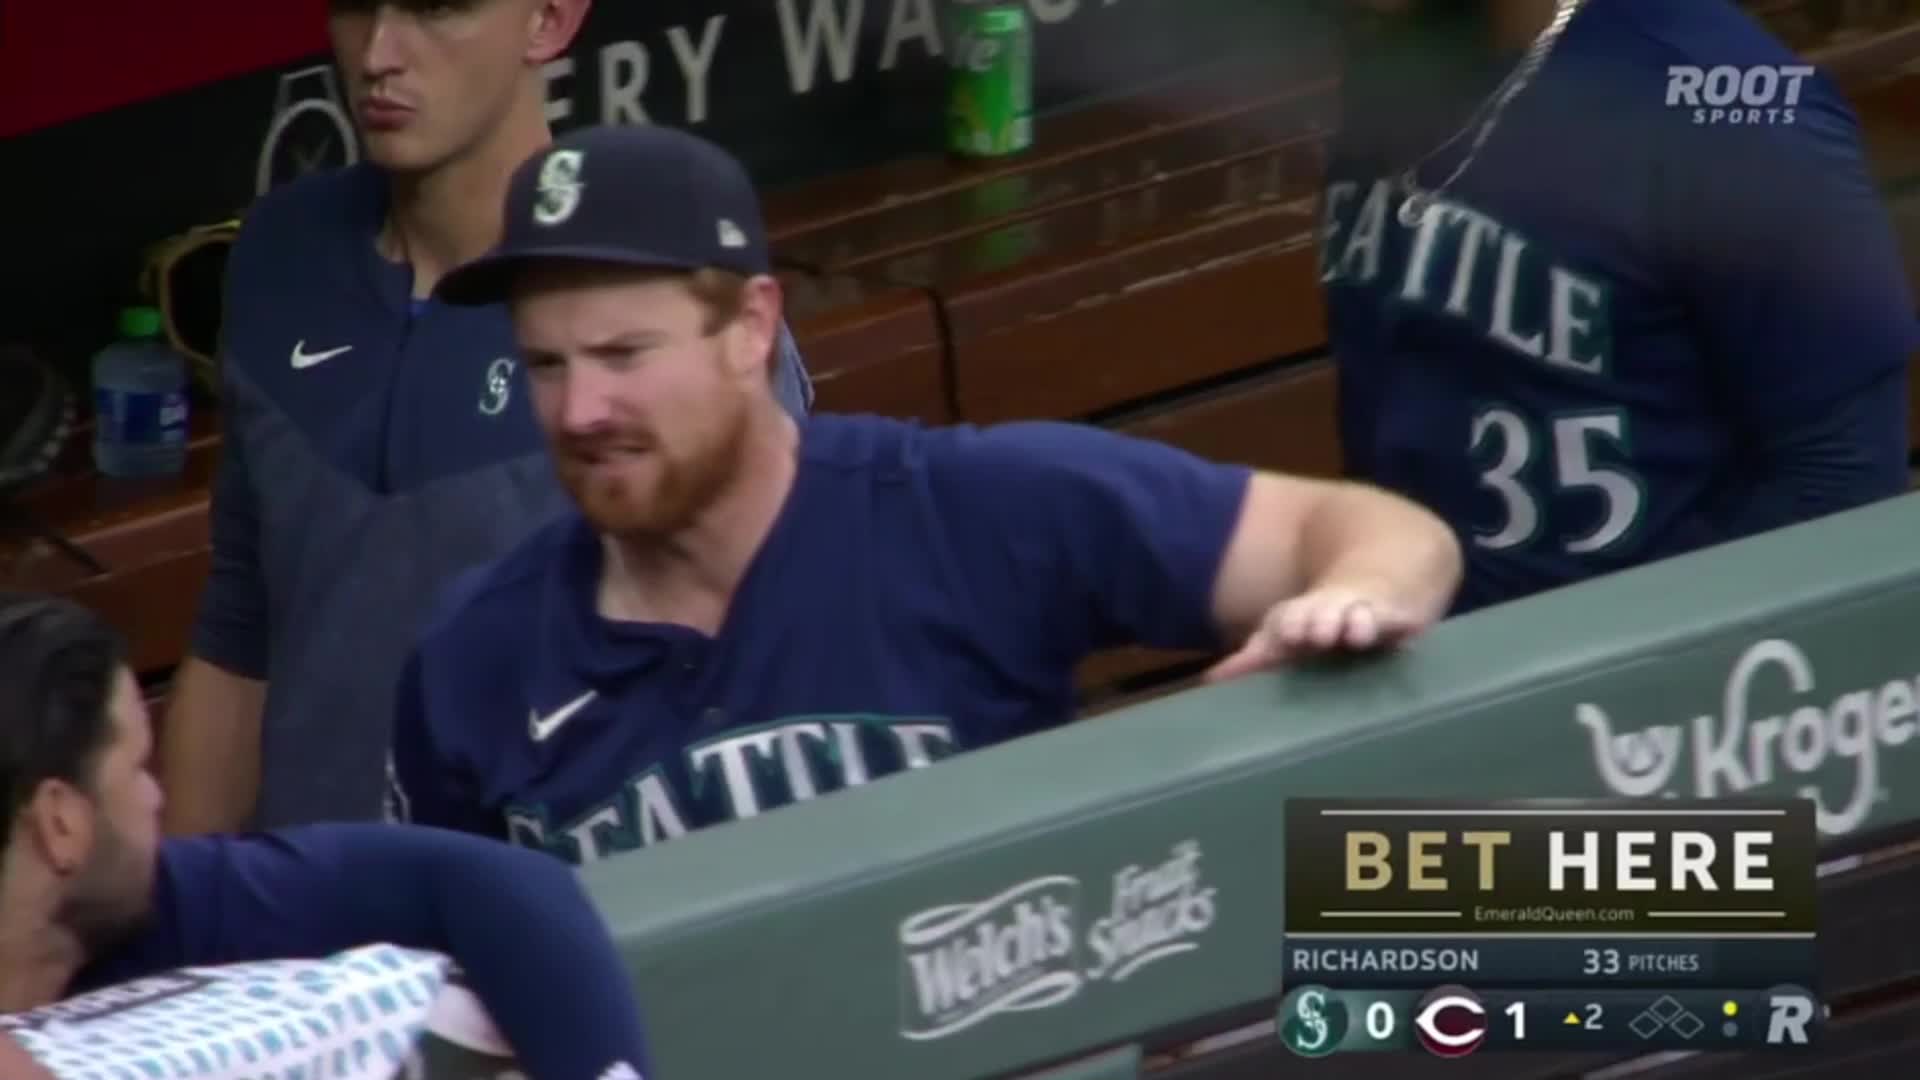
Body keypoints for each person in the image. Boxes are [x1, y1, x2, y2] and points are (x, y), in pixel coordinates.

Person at [382, 123, 1464, 863]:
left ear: (754, 328)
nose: (581, 411)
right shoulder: (476, 660)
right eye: (548, 365)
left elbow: (1372, 528)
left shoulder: (963, 509)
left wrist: (1351, 598)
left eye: (624, 354)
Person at [158, 0, 815, 832]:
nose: (379, 55)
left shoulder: (661, 300)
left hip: (560, 917)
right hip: (315, 922)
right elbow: (239, 640)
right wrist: (191, 925)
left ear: (548, 19)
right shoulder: (280, 253)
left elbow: (762, 676)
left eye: (439, 9)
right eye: (359, 6)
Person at [1320, 0, 1914, 614]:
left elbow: (1842, 485)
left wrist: (1661, 682)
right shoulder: (1395, 64)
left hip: (1646, 672)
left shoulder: (1730, 100)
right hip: (1414, 648)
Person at [0, 592, 651, 1079]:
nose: (158, 798)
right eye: (137, 770)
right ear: (62, 823)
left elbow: (496, 886)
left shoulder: (141, 903)